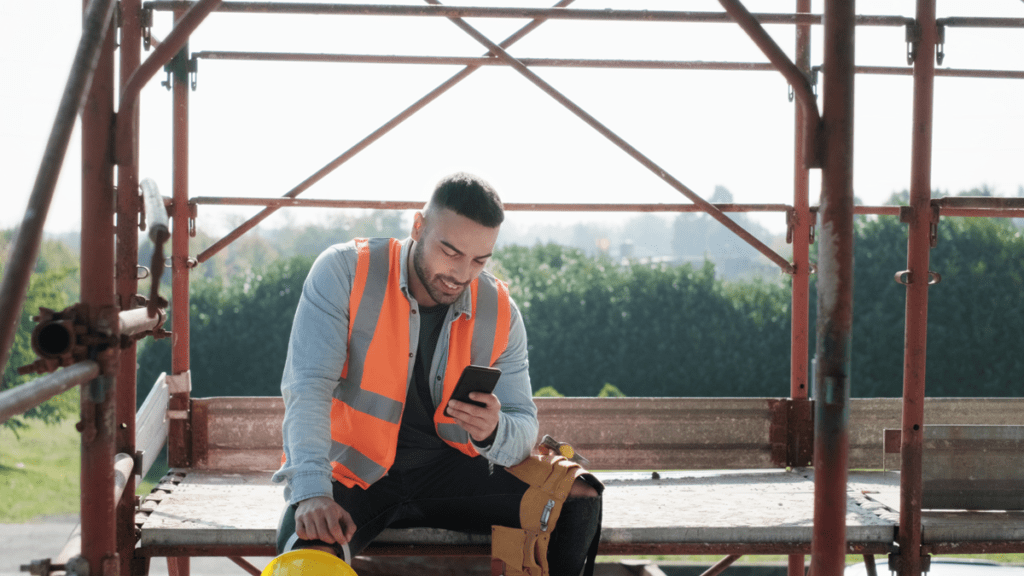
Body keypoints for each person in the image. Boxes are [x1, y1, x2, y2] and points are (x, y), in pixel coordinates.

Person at [272, 173, 602, 575]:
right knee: (307, 561)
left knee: (579, 496)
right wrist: (310, 493)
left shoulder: (500, 311)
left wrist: (494, 430)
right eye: (451, 252)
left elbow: (523, 427)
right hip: (353, 474)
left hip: (451, 474)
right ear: (418, 226)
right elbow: (307, 388)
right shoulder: (344, 271)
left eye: (479, 260)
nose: (462, 273)